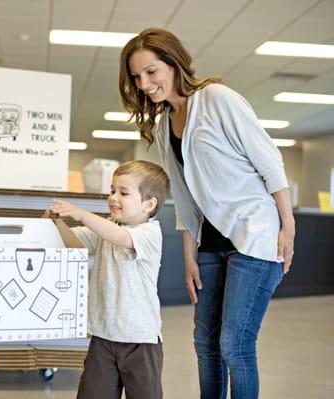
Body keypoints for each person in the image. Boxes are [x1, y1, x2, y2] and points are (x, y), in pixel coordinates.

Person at [119, 28, 295, 399]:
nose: (144, 83)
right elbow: (186, 198)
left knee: (235, 343)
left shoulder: (216, 99)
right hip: (211, 246)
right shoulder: (167, 123)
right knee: (205, 343)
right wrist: (190, 257)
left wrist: (288, 227)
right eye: (137, 77)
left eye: (151, 71)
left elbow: (270, 163)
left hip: (255, 235)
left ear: (173, 63)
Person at [49, 160, 170, 399]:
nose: (114, 197)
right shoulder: (107, 227)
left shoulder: (149, 233)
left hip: (140, 339)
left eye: (123, 193)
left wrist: (81, 214)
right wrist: (55, 223)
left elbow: (120, 236)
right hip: (103, 335)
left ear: (149, 204)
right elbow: (73, 241)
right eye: (112, 190)